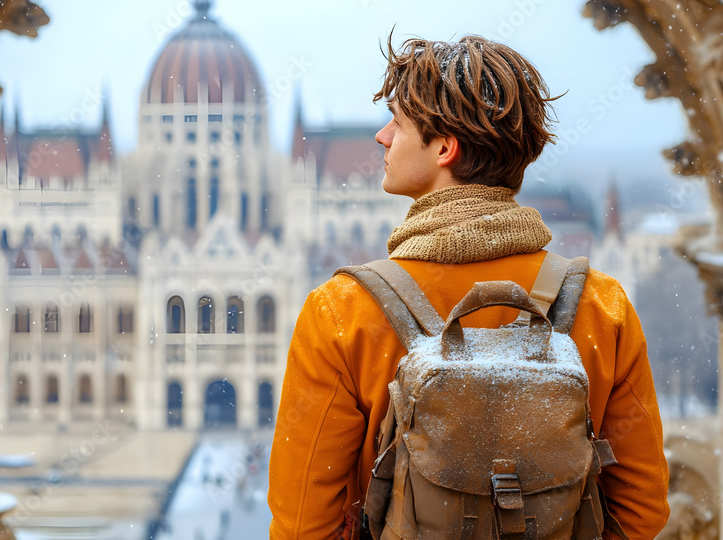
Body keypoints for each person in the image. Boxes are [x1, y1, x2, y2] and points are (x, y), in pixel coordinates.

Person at [268, 34, 669, 539]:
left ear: (444, 148)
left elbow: (303, 524)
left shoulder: (343, 313)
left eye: (397, 121)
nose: (381, 137)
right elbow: (641, 512)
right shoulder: (600, 305)